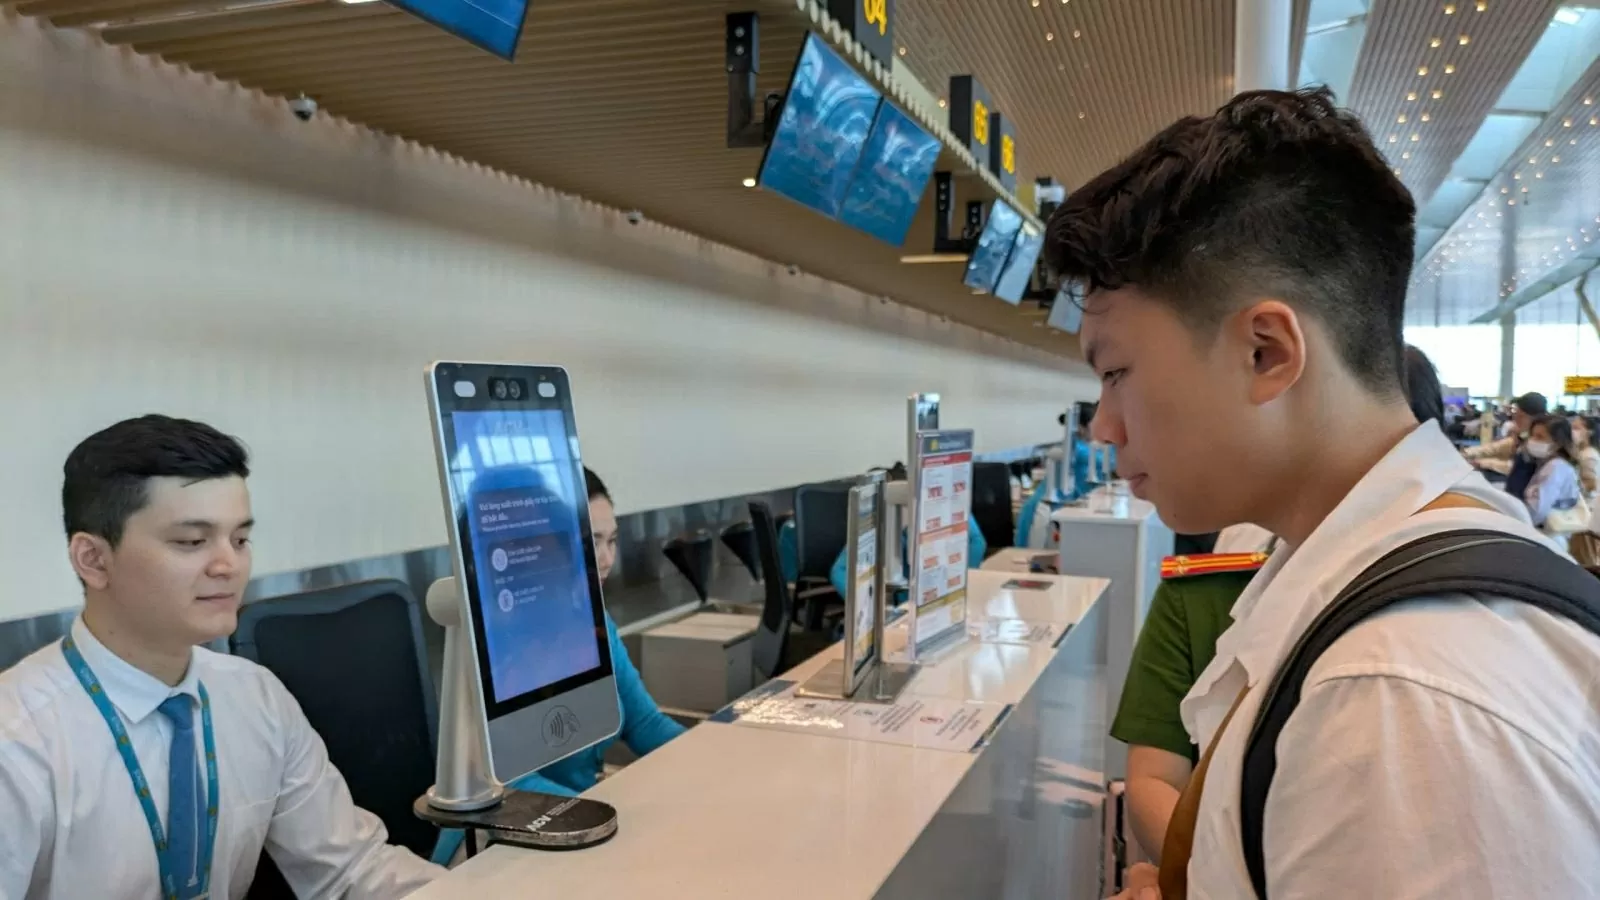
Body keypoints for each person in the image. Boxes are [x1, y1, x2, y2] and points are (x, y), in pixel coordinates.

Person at [1047, 86, 1600, 899]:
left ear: (1267, 352)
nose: (1104, 426)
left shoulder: (1401, 697)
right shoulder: (1370, 591)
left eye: (1116, 372)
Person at [0, 415, 443, 900]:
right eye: (192, 542)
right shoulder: (18, 741)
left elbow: (351, 871)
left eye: (240, 540)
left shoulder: (255, 697)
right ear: (93, 559)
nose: (229, 565)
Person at [1108, 344, 1444, 863]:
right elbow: (1154, 777)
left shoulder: (1454, 617)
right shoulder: (1207, 591)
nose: (1107, 428)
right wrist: (1195, 881)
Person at [432, 467, 684, 865]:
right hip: (498, 842)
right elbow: (510, 783)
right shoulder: (491, 646)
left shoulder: (592, 623)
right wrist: (613, 821)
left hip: (579, 826)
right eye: (589, 542)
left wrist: (710, 758)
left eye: (612, 541)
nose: (606, 559)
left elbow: (645, 723)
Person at [1463, 392, 1546, 490]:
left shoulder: (1540, 442)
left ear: (1535, 418)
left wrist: (1482, 462)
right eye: (1515, 414)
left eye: (1521, 416)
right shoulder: (1522, 434)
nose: (1516, 419)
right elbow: (1497, 447)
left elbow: (1517, 467)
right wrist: (1466, 453)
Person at [1522, 415, 1583, 530]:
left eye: (1540, 437)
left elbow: (1537, 511)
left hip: (1546, 533)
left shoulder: (1555, 467)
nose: (1532, 440)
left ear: (1558, 442)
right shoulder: (1549, 463)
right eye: (1532, 435)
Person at [1569, 414, 1600, 496]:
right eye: (1571, 428)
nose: (1572, 432)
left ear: (1589, 432)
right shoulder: (1579, 451)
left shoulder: (1589, 456)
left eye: (1576, 428)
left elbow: (1591, 486)